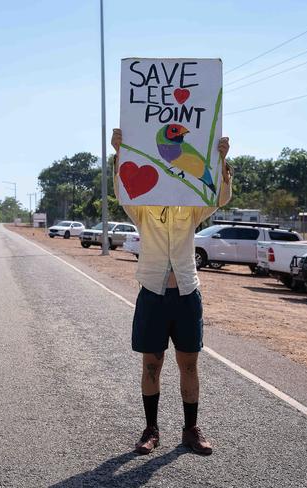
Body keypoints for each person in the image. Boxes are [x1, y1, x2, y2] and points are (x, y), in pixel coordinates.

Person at [111, 128, 232, 456]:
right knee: (152, 363)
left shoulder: (190, 209)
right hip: (152, 292)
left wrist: (222, 162)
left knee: (189, 364)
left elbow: (219, 198)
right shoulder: (143, 209)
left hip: (187, 293)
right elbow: (123, 190)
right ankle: (151, 429)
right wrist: (120, 153)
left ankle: (190, 428)